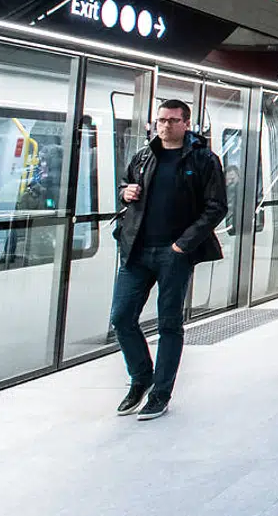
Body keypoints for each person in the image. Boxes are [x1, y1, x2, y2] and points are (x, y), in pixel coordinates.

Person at [110, 99, 228, 421]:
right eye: (161, 120)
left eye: (173, 121)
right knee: (121, 317)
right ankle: (141, 377)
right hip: (136, 250)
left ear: (186, 124)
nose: (165, 126)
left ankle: (160, 393)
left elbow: (216, 207)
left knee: (169, 324)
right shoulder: (144, 157)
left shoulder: (204, 160)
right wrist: (125, 192)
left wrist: (182, 245)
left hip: (173, 254)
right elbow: (125, 185)